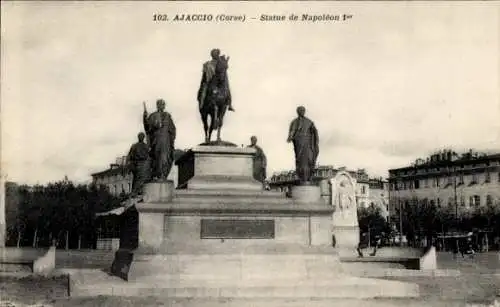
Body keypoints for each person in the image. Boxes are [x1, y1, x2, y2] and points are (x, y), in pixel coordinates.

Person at [143, 99, 177, 180]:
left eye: (163, 104)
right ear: (157, 105)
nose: (161, 106)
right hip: (156, 140)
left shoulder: (167, 116)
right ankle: (157, 174)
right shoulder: (153, 116)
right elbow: (147, 127)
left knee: (165, 157)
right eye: (160, 104)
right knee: (157, 157)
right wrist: (144, 118)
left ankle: (163, 175)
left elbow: (172, 128)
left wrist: (171, 138)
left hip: (166, 141)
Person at [287, 106, 319, 183]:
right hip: (299, 143)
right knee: (300, 160)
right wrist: (290, 137)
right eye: (300, 110)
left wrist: (313, 131)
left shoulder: (309, 122)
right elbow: (292, 131)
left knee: (309, 159)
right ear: (297, 112)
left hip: (308, 143)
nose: (302, 112)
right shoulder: (294, 122)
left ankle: (309, 176)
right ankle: (302, 177)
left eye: (303, 110)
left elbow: (314, 132)